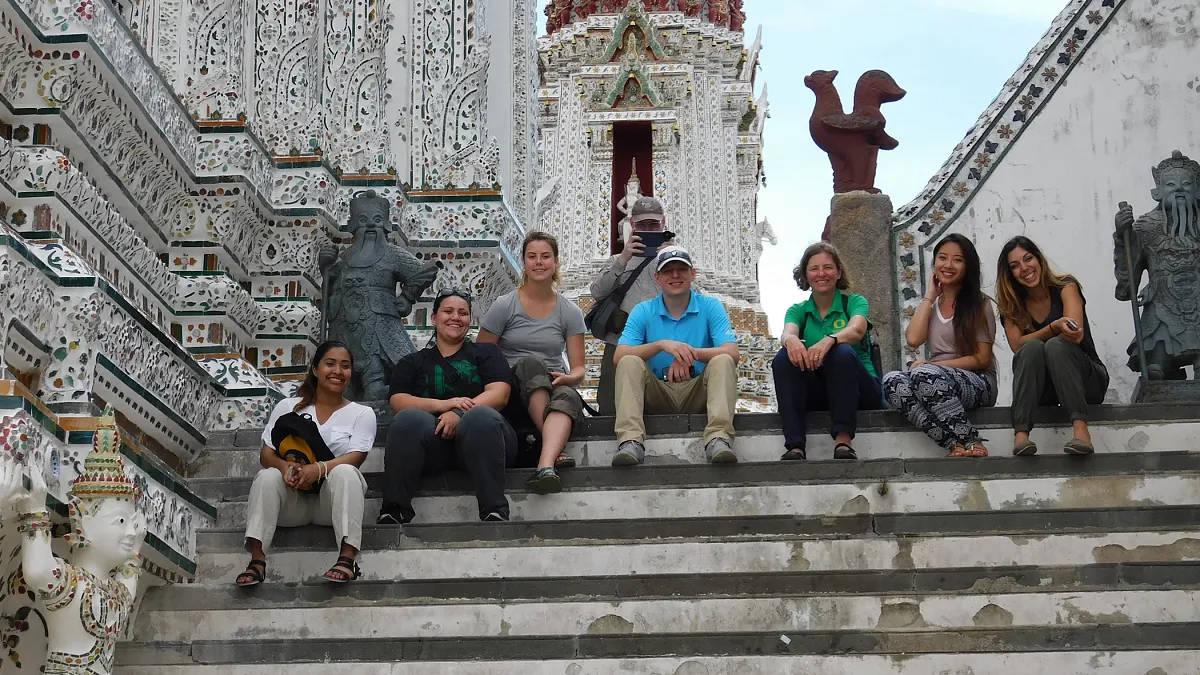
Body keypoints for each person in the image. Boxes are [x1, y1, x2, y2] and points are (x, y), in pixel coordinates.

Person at [237, 341, 375, 586]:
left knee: (346, 471)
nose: (337, 371)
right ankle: (257, 561)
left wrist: (318, 469)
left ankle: (347, 558)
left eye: (345, 366)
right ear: (315, 369)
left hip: (330, 504)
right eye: (330, 364)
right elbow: (266, 454)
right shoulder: (288, 407)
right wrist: (285, 468)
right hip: (292, 502)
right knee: (266, 476)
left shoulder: (361, 414)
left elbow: (357, 457)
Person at [379, 288, 518, 524]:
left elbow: (500, 394)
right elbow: (398, 401)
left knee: (481, 416)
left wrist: (458, 412)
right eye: (448, 311)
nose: (456, 317)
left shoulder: (487, 354)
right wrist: (443, 405)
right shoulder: (412, 362)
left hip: (487, 443)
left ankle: (494, 509)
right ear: (434, 318)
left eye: (463, 313)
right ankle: (394, 509)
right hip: (435, 447)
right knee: (408, 419)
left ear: (470, 320)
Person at [478, 231, 586, 495]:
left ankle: (546, 465)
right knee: (530, 363)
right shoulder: (505, 306)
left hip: (551, 382)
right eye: (532, 257)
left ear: (556, 262)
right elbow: (481, 354)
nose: (539, 263)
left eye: (545, 257)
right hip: (511, 385)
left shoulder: (569, 311)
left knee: (568, 396)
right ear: (524, 262)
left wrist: (569, 379)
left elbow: (579, 368)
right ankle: (557, 447)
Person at [612, 245, 740, 466]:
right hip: (658, 392)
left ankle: (719, 438)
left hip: (698, 390)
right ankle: (630, 441)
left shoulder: (710, 306)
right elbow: (619, 355)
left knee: (723, 360)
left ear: (693, 274)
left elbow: (732, 352)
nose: (675, 275)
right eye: (668, 271)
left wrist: (689, 354)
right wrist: (662, 345)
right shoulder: (643, 310)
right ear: (658, 278)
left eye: (681, 269)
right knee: (629, 362)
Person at [882, 234, 998, 457]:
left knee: (925, 373)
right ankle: (952, 443)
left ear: (968, 266)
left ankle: (973, 441)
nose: (948, 265)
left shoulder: (980, 304)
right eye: (942, 258)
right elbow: (914, 339)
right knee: (892, 381)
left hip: (978, 382)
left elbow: (982, 358)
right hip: (933, 378)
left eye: (957, 260)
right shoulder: (932, 304)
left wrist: (937, 366)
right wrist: (929, 296)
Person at [996, 236, 1108, 456]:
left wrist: (1055, 331)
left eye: (1028, 259)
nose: (1024, 268)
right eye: (1015, 266)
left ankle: (1081, 431)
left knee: (1056, 345)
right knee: (1031, 349)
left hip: (1087, 381)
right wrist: (1053, 327)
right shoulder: (1012, 306)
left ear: (1039, 259)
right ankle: (1021, 436)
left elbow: (1074, 334)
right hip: (1045, 390)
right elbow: (1017, 346)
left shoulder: (1066, 286)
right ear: (1010, 274)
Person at [772, 242, 883, 461]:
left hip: (860, 391)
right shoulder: (799, 310)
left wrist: (829, 340)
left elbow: (857, 329)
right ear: (805, 275)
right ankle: (795, 444)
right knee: (784, 357)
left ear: (839, 272)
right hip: (820, 392)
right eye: (814, 269)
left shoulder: (854, 301)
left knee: (841, 352)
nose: (821, 274)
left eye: (828, 267)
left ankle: (843, 440)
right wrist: (790, 340)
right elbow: (788, 331)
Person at [590, 196, 675, 415]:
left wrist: (672, 259)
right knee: (611, 406)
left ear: (663, 223)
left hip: (662, 343)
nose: (649, 229)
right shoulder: (619, 260)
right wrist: (623, 259)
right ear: (633, 225)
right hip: (620, 343)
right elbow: (597, 292)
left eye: (654, 224)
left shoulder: (675, 261)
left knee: (662, 409)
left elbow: (694, 299)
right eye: (643, 225)